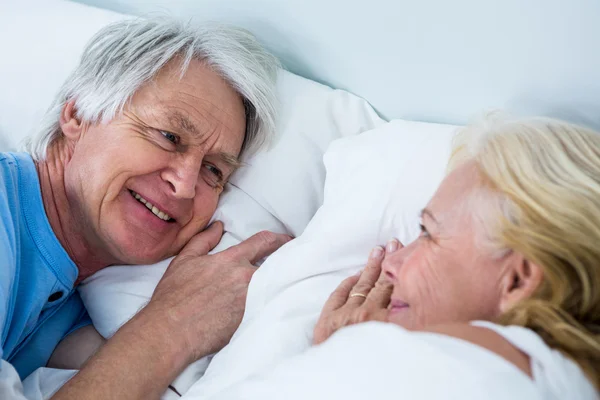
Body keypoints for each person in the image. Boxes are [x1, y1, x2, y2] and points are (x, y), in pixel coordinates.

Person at [0, 17, 291, 399]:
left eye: (213, 170)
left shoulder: (85, 310)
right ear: (78, 115)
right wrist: (174, 323)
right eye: (169, 136)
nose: (185, 185)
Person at [313, 116, 600, 397]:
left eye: (428, 232)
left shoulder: (463, 364)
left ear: (517, 280)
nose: (391, 262)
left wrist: (339, 358)